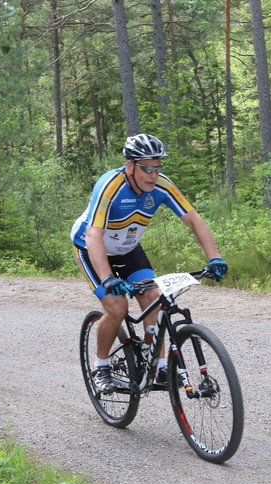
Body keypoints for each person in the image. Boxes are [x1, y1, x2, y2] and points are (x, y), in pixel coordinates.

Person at [70, 134, 228, 392]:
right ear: (130, 166)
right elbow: (94, 234)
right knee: (117, 306)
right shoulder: (110, 185)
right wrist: (109, 278)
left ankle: (159, 367)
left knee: (153, 296)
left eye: (157, 168)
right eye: (146, 168)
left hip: (128, 249)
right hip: (91, 248)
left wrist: (214, 257)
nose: (153, 175)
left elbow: (194, 221)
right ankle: (101, 366)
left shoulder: (162, 187)